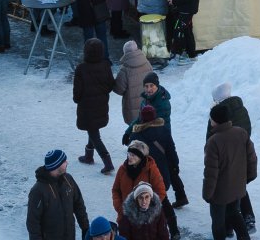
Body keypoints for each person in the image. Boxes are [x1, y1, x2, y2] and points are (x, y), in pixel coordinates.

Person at [202, 101, 257, 240]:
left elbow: (211, 172)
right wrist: (248, 177)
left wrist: (207, 194)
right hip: (237, 187)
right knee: (235, 213)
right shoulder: (241, 132)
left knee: (218, 223)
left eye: (211, 119)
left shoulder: (213, 141)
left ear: (215, 121)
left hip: (219, 194)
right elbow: (252, 158)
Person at [122, 105, 181, 217]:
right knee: (163, 198)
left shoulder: (136, 135)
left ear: (142, 118)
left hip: (144, 176)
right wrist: (175, 165)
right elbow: (171, 151)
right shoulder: (164, 130)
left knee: (145, 201)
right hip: (162, 175)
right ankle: (173, 229)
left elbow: (131, 159)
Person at [71, 38, 117, 173]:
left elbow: (77, 91)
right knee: (93, 128)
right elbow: (110, 85)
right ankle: (89, 155)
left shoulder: (81, 69)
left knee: (93, 132)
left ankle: (108, 162)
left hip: (86, 106)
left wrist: (77, 99)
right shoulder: (105, 65)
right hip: (101, 104)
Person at [27, 149, 90, 240]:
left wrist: (86, 228)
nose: (67, 163)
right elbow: (33, 223)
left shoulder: (68, 180)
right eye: (64, 161)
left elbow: (79, 204)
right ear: (56, 166)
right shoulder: (38, 191)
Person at [110, 140, 167, 222]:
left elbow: (161, 192)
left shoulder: (151, 170)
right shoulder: (122, 169)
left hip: (145, 219)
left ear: (141, 157)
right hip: (125, 217)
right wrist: (120, 208)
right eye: (129, 154)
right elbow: (116, 190)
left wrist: (147, 209)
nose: (130, 157)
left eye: (133, 155)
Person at [113, 39, 154, 125]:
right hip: (147, 104)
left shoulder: (124, 70)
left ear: (125, 53)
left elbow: (119, 90)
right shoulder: (147, 63)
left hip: (132, 110)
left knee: (134, 131)